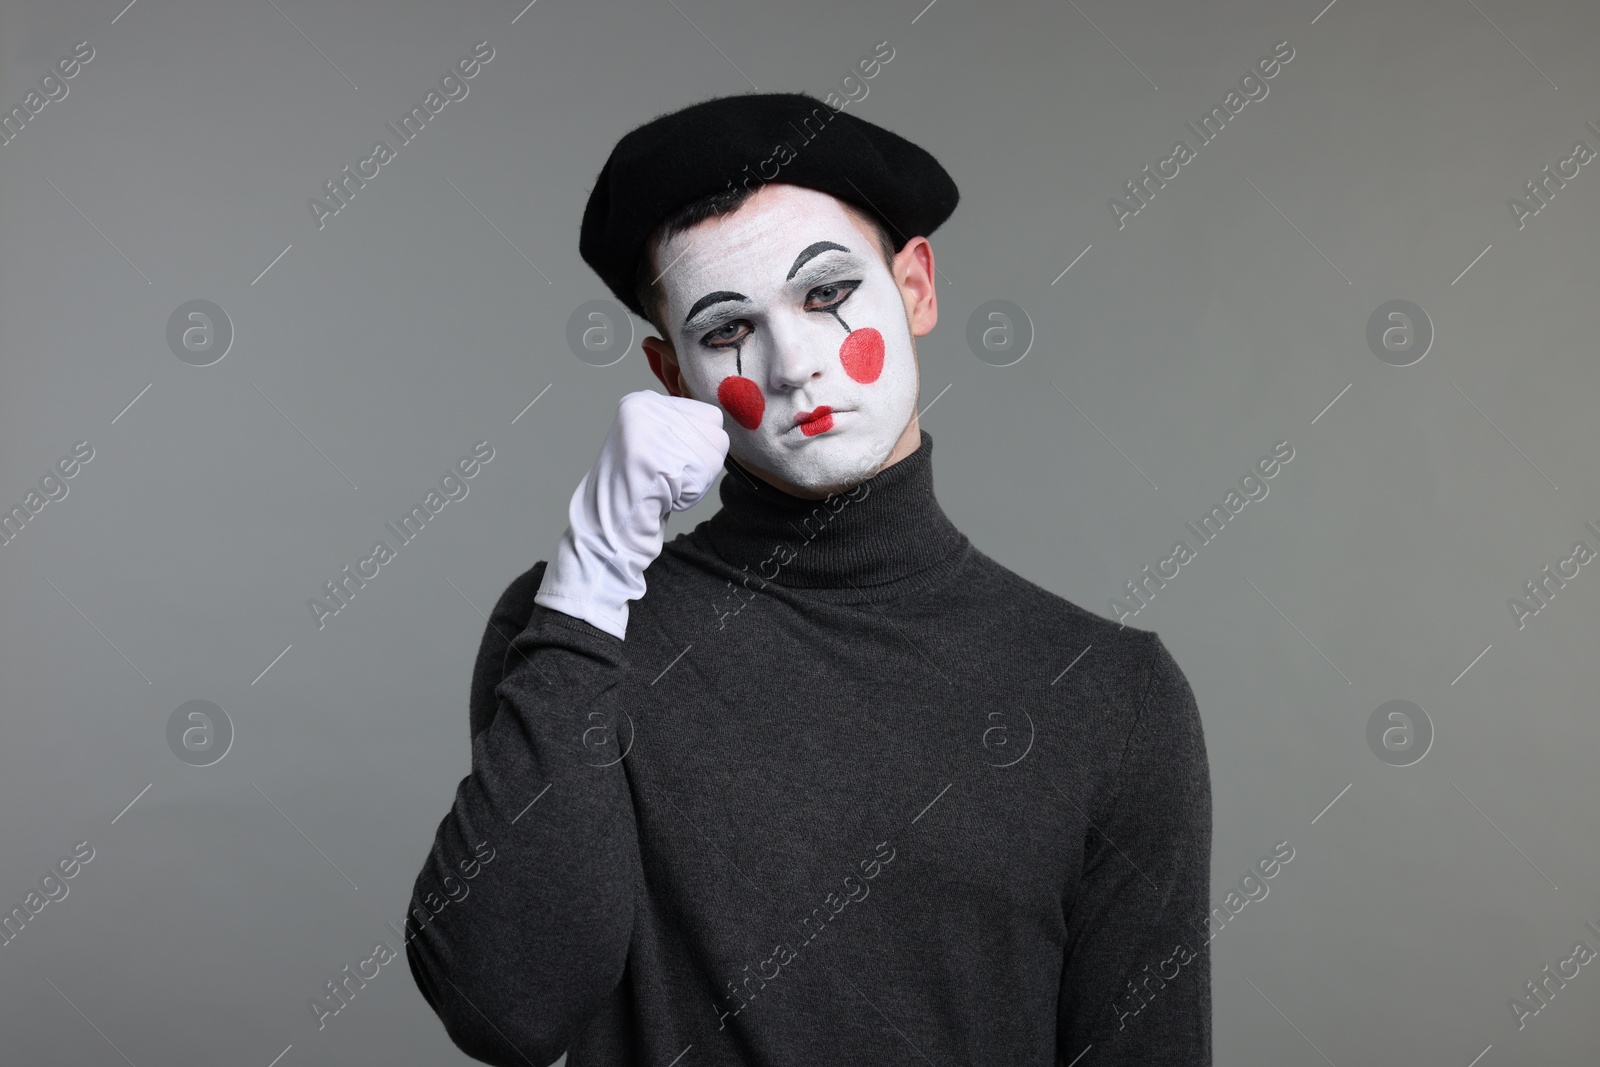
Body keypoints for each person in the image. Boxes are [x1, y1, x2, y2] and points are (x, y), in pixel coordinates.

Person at [403, 91, 1212, 1067]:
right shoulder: (578, 629)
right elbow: (508, 1006)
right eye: (726, 328)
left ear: (914, 285)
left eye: (826, 294)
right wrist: (587, 580)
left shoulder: (1108, 694)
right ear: (671, 372)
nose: (792, 365)